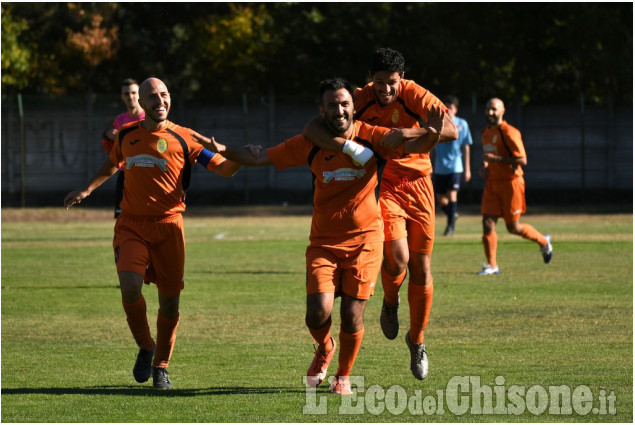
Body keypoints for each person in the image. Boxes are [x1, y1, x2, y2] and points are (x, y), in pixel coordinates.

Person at [192, 78, 447, 394]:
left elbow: (414, 147)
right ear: (321, 110)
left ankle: (343, 375)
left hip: (365, 242)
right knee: (316, 313)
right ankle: (325, 346)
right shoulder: (308, 143)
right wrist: (222, 149)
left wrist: (431, 134)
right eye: (332, 105)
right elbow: (260, 156)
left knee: (352, 315)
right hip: (324, 244)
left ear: (353, 108)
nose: (339, 111)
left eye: (344, 105)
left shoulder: (372, 137)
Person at [64, 77, 241, 389]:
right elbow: (111, 164)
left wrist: (236, 154)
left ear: (169, 98)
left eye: (163, 94)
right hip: (131, 225)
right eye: (151, 96)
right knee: (130, 288)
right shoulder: (127, 135)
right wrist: (86, 189)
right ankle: (146, 347)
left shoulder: (186, 138)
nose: (159, 100)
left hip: (169, 228)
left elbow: (225, 169)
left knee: (170, 304)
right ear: (140, 105)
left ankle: (161, 366)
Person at [303, 48, 458, 380]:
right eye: (378, 83)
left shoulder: (415, 95)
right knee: (397, 257)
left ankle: (416, 340)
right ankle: (390, 300)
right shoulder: (358, 98)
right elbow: (314, 127)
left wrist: (408, 134)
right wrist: (347, 146)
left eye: (391, 83)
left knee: (421, 267)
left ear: (401, 79)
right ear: (368, 80)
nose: (385, 90)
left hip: (419, 182)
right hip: (385, 182)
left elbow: (451, 131)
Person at [477, 97, 553, 275]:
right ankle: (492, 266)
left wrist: (496, 160)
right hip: (492, 183)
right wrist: (486, 168)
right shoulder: (485, 132)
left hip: (511, 183)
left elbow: (522, 159)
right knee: (487, 223)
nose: (490, 112)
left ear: (502, 111)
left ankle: (543, 241)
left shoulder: (510, 132)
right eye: (488, 108)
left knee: (513, 227)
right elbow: (488, 156)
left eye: (494, 109)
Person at [101, 78, 146, 218]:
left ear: (140, 94)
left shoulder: (149, 118)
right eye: (126, 94)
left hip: (146, 172)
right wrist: (108, 135)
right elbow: (113, 150)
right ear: (122, 96)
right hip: (125, 174)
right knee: (122, 217)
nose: (130, 96)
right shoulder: (120, 120)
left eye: (134, 92)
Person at [432, 95, 473, 236]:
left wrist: (467, 169)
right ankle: (452, 214)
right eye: (446, 107)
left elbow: (466, 147)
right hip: (439, 167)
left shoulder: (462, 124)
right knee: (441, 199)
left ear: (456, 109)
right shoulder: (437, 123)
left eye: (451, 107)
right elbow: (430, 145)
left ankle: (450, 227)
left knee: (452, 195)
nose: (448, 110)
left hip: (455, 166)